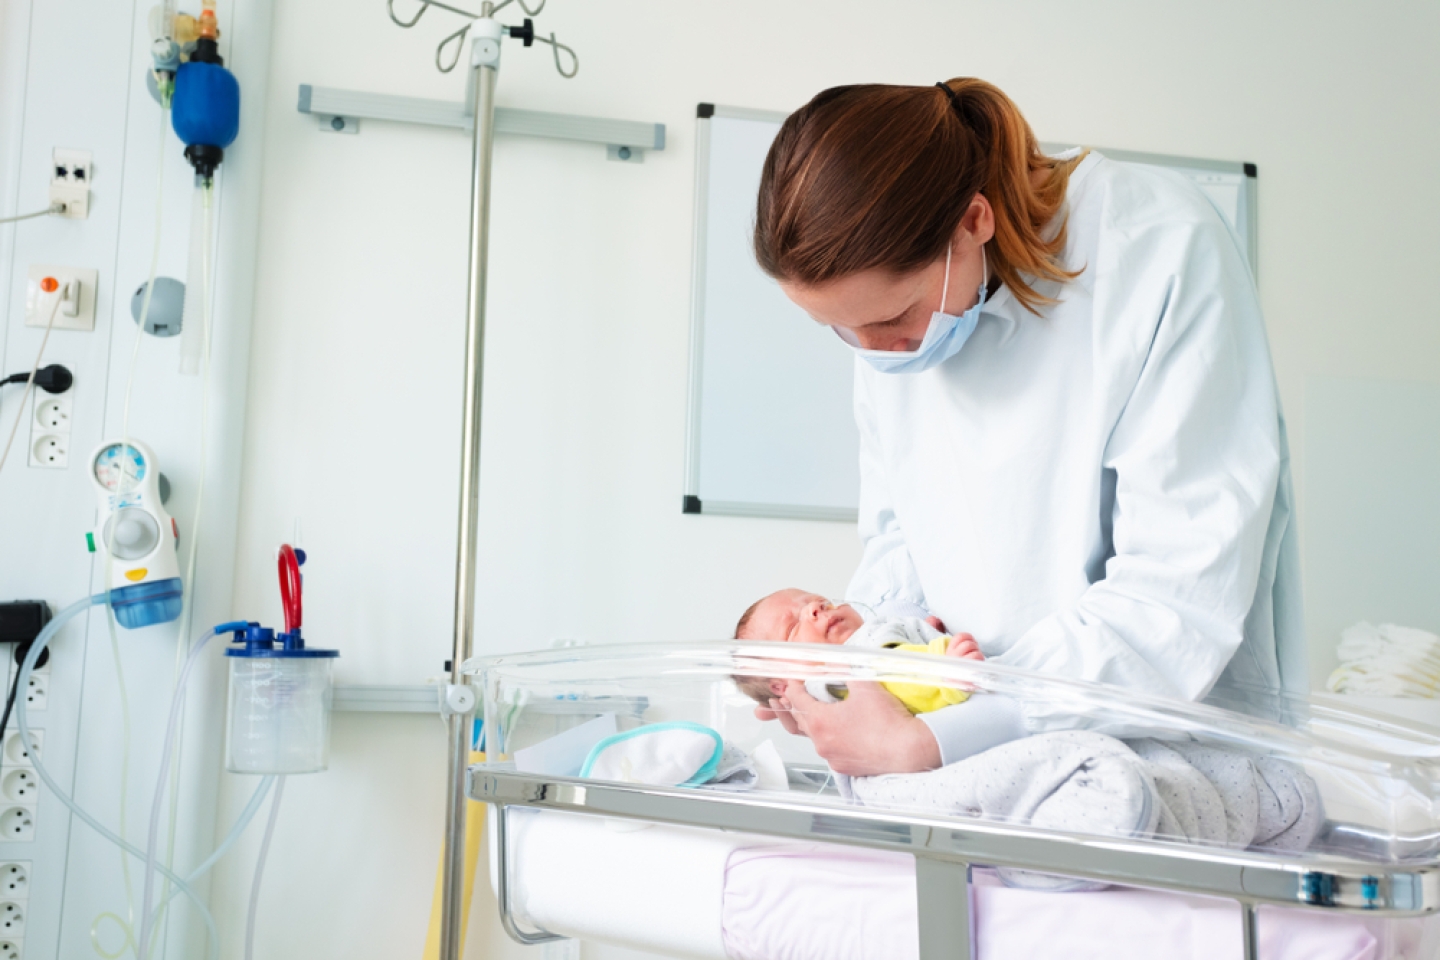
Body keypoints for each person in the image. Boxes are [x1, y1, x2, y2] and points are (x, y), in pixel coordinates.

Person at [749, 79, 1304, 777]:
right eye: (839, 329)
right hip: (961, 743)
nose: (877, 353)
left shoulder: (1157, 245)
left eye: (890, 320)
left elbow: (1179, 595)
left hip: (1162, 754)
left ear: (973, 222)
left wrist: (965, 726)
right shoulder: (890, 316)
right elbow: (903, 542)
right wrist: (848, 668)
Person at [731, 588, 984, 713]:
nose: (815, 609)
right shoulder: (825, 686)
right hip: (946, 687)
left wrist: (923, 634)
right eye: (793, 627)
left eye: (822, 602)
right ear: (782, 685)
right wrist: (941, 671)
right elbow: (892, 683)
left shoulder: (872, 631)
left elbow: (896, 647)